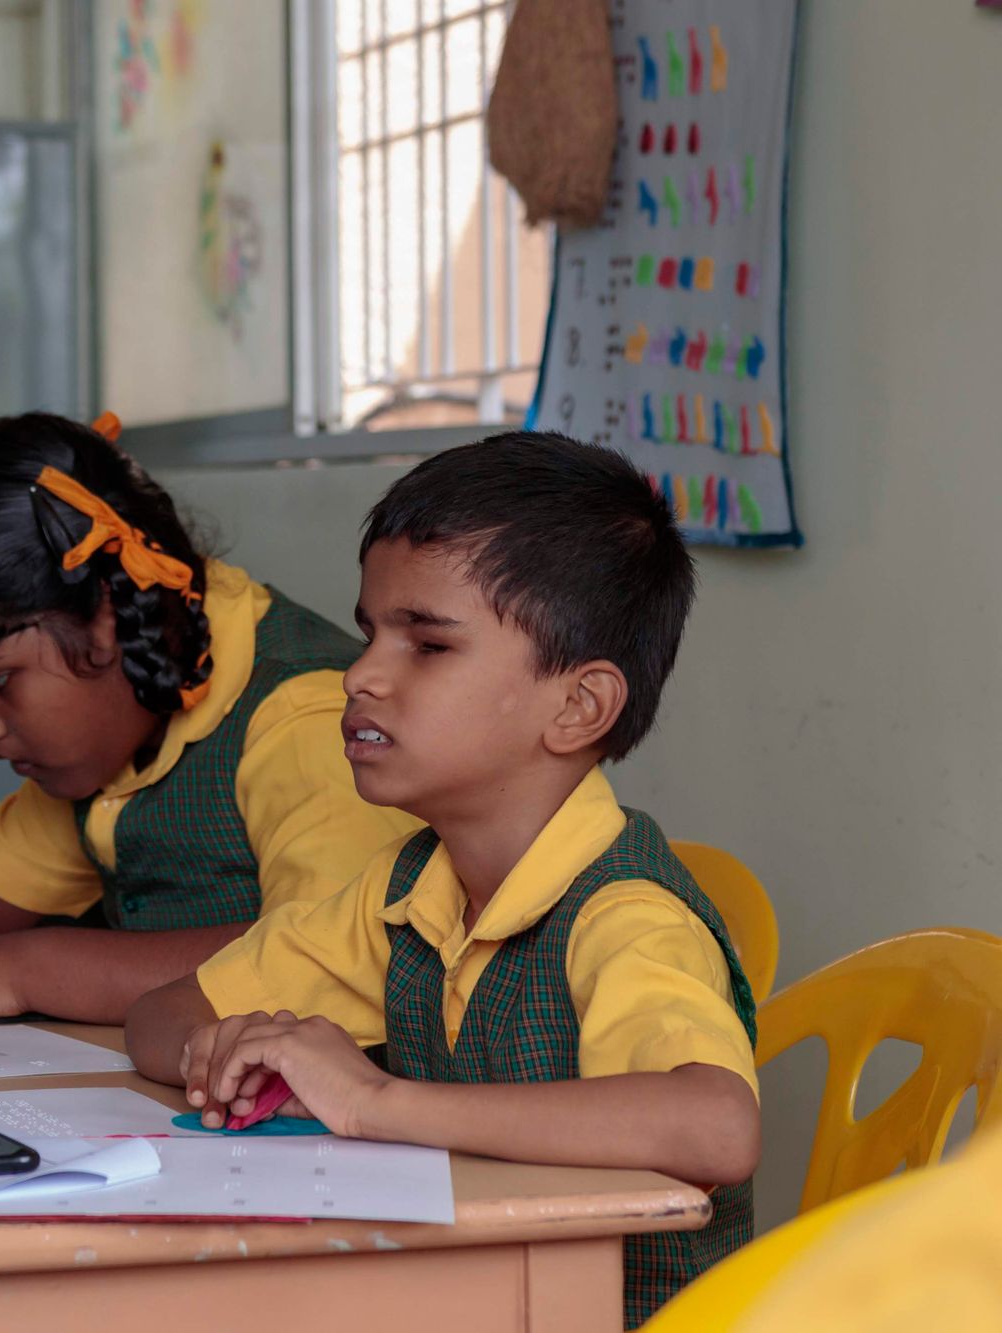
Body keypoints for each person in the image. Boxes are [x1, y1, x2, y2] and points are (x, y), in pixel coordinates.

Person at [126, 432, 760, 1328]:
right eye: (369, 633)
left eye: (426, 644)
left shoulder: (625, 913)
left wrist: (377, 1099)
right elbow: (161, 1018)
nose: (360, 675)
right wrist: (235, 1048)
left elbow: (715, 1127)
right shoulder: (409, 889)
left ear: (578, 707)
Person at [0, 412, 416, 1022]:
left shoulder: (309, 718)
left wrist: (26, 969)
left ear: (108, 614)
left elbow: (326, 957)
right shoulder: (111, 738)